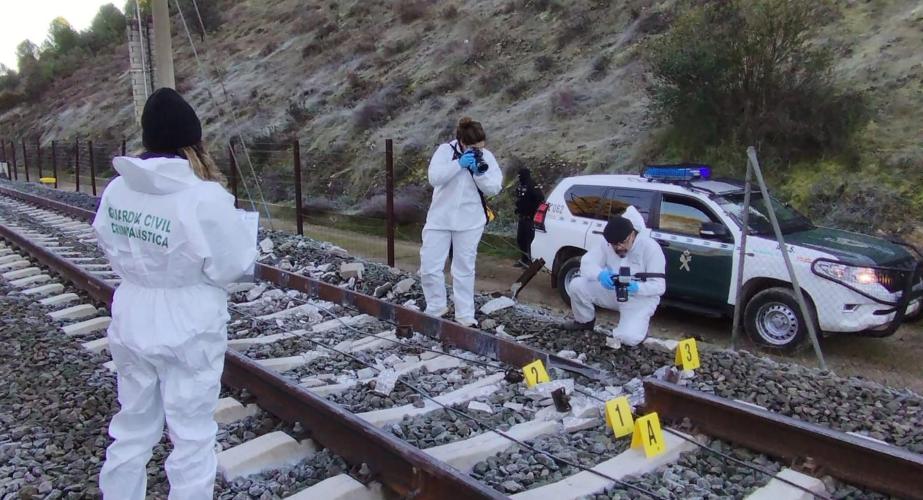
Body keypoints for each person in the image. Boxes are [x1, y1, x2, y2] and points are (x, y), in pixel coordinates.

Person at [92, 88, 258, 500]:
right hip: (188, 322)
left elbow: (106, 241)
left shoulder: (117, 190)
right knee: (192, 435)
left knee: (132, 425)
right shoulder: (205, 197)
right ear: (193, 142)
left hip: (132, 313)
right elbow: (233, 265)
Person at [420, 117, 502, 327]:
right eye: (474, 148)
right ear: (462, 142)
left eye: (481, 147)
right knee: (429, 266)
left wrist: (479, 174)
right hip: (440, 218)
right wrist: (459, 164)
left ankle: (465, 315)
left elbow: (494, 188)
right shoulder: (445, 151)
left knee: (464, 268)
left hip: (470, 221)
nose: (479, 151)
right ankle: (436, 306)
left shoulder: (487, 157)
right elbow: (434, 178)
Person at [563, 206, 665, 347]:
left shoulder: (650, 248)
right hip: (613, 291)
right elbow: (587, 263)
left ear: (632, 235)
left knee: (628, 339)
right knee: (576, 285)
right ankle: (584, 322)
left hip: (639, 298)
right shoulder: (608, 244)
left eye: (622, 243)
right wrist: (600, 275)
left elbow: (659, 286)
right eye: (614, 245)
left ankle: (638, 328)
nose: (618, 247)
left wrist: (636, 287)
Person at [513, 167, 544, 267]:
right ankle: (524, 259)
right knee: (520, 239)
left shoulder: (532, 185)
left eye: (520, 176)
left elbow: (540, 198)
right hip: (522, 217)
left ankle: (530, 261)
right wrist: (519, 208)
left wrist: (532, 209)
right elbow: (520, 199)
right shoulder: (521, 185)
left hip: (530, 218)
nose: (519, 178)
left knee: (529, 240)